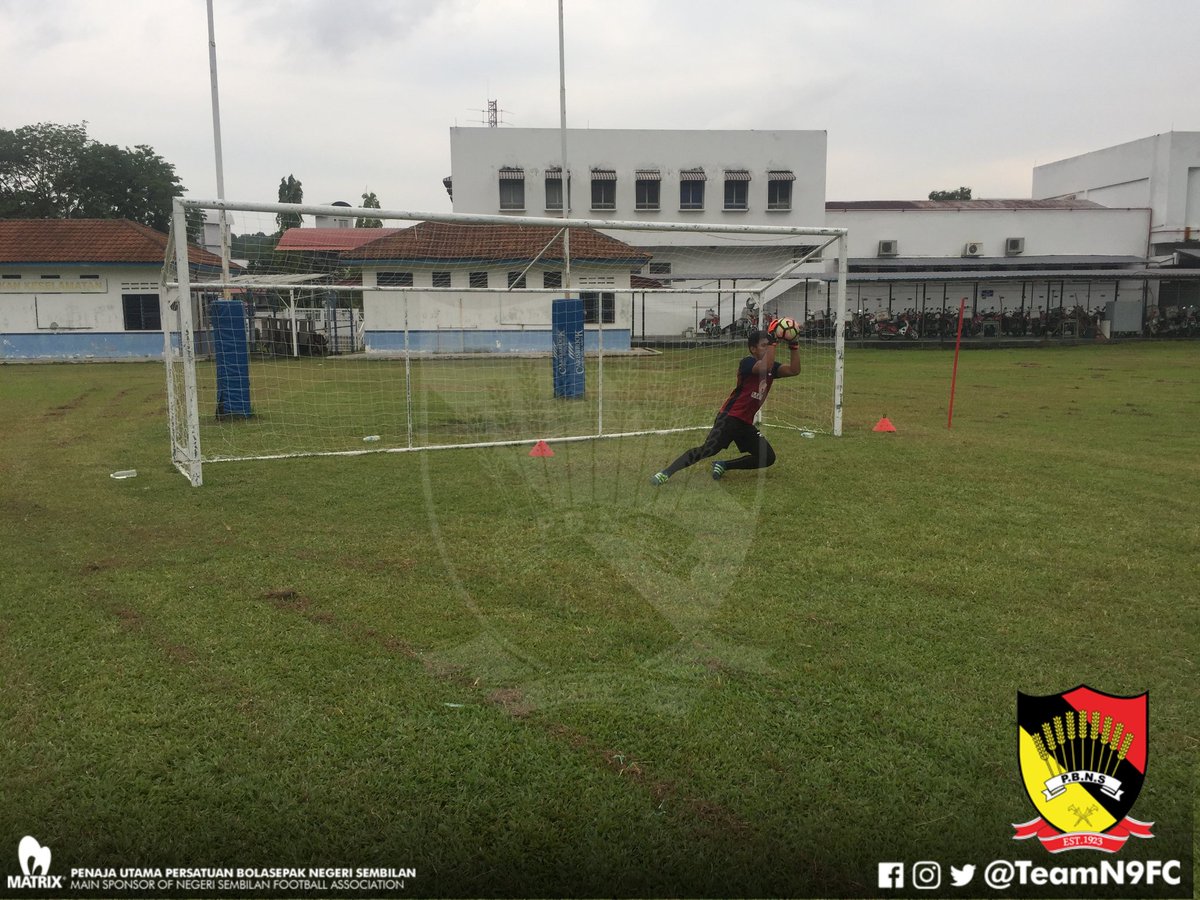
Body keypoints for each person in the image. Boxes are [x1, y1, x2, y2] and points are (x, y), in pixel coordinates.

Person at [650, 327, 801, 485]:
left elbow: (794, 370)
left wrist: (794, 344)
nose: (768, 346)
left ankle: (723, 465)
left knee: (768, 457)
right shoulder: (748, 362)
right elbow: (765, 367)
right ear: (753, 349)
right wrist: (774, 341)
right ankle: (666, 473)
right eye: (764, 345)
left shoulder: (772, 367)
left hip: (745, 423)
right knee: (708, 449)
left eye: (768, 344)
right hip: (729, 418)